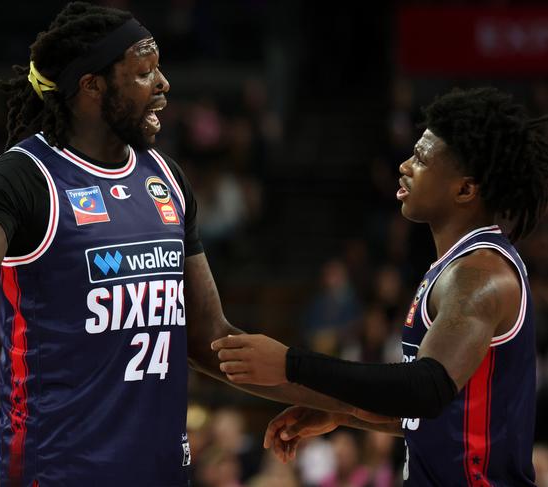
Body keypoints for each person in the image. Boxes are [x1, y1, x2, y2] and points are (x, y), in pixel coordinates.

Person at [0, 3, 381, 486]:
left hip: (163, 471)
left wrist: (343, 406)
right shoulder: (24, 178)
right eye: (145, 72)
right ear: (92, 86)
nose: (164, 84)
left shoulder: (165, 177)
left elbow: (211, 338)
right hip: (62, 473)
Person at [213, 87, 548, 485]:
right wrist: (346, 412)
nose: (405, 165)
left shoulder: (479, 275)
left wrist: (291, 363)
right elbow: (441, 416)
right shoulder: (459, 264)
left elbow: (426, 389)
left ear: (465, 189)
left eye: (422, 159)